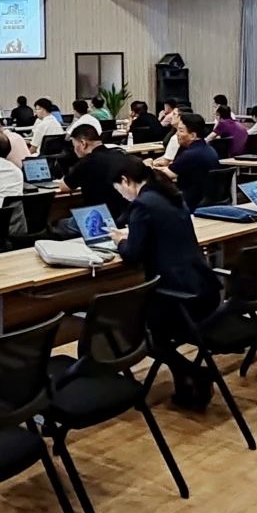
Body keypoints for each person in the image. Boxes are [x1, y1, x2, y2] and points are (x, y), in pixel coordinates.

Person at [110, 159, 222, 410]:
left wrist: (120, 241)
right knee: (155, 331)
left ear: (126, 180)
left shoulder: (143, 204)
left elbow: (133, 255)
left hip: (179, 296)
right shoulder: (170, 195)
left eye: (119, 189)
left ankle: (193, 373)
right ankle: (186, 380)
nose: (122, 195)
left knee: (136, 331)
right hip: (202, 286)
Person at [53, 125, 134, 236]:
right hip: (125, 216)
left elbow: (64, 187)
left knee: (58, 224)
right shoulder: (120, 155)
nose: (74, 150)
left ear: (83, 143)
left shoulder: (85, 163)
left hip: (99, 219)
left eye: (74, 145)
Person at [154, 113, 221, 210]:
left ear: (193, 135)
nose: (177, 134)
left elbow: (169, 174)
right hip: (206, 198)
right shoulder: (209, 149)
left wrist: (149, 167)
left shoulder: (190, 154)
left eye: (181, 131)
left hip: (190, 200)